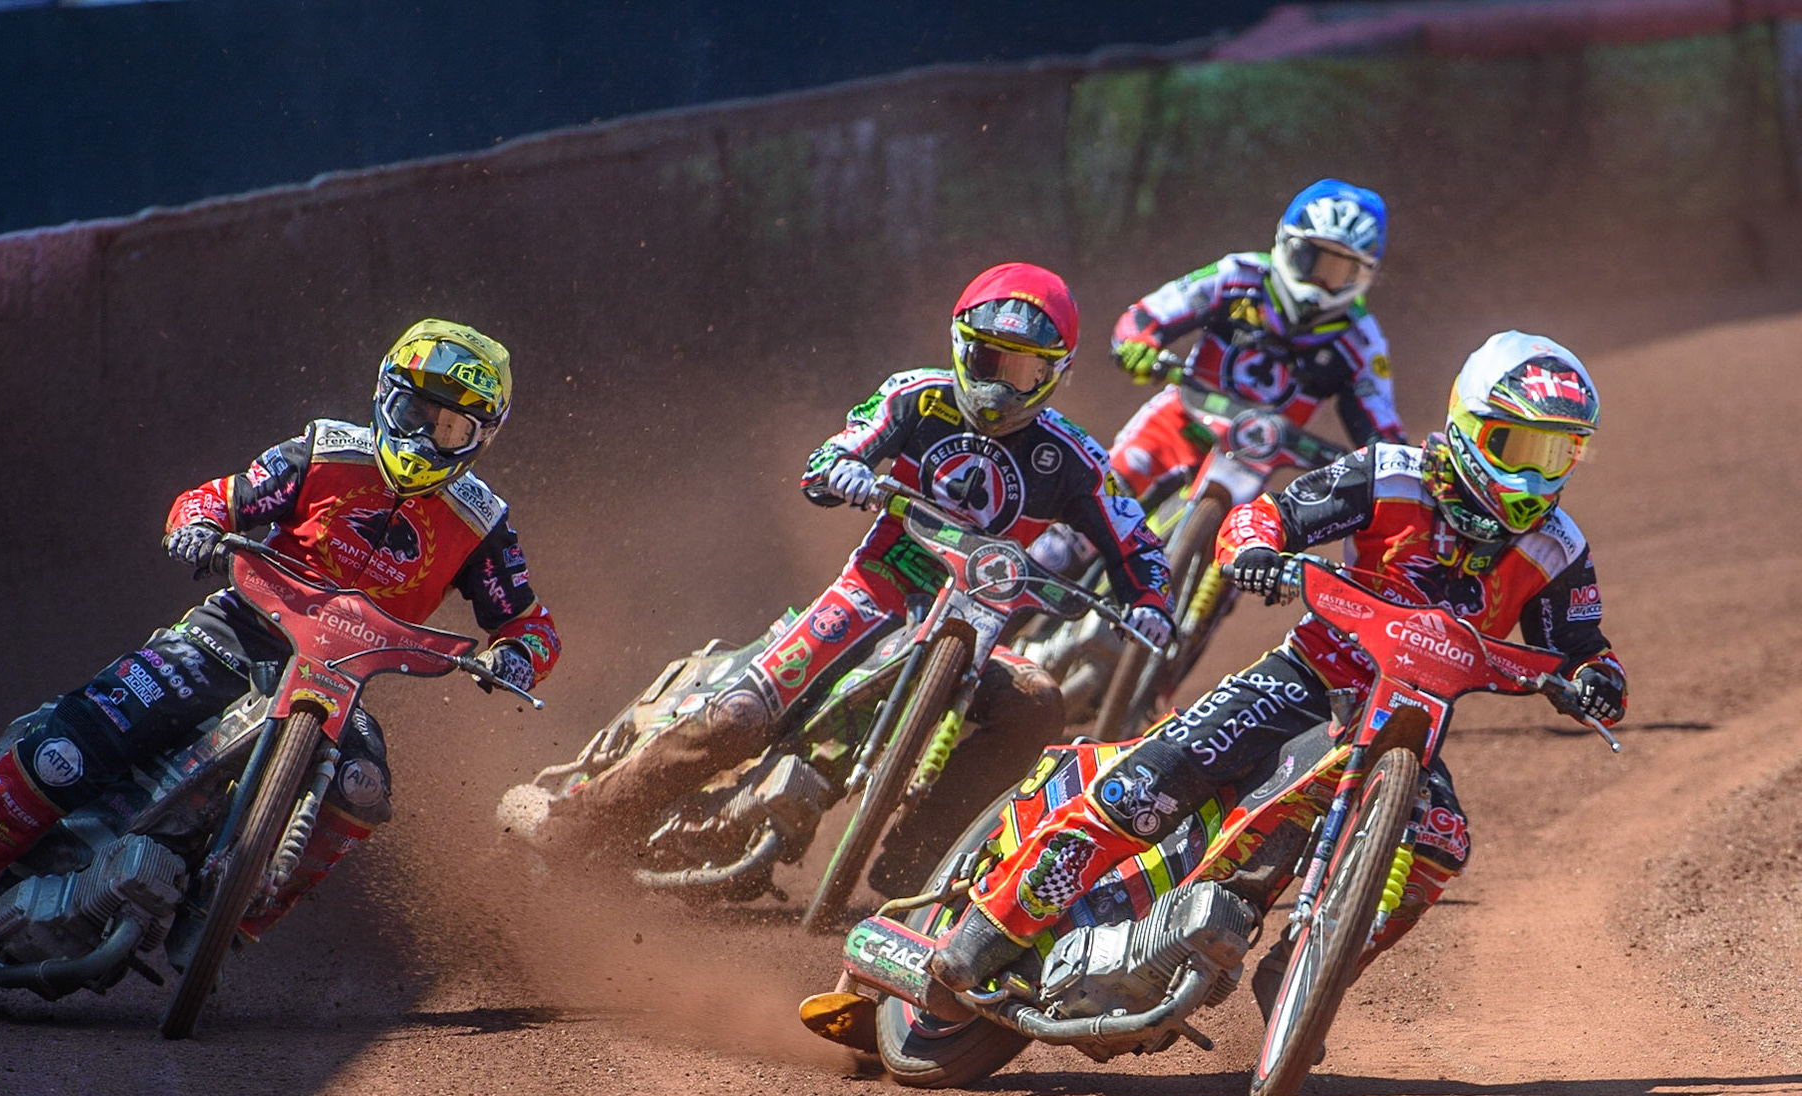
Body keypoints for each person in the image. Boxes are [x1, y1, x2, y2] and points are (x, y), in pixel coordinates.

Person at [930, 330, 1627, 1008]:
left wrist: (1599, 677)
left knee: (1441, 842)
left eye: (1560, 452)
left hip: (1407, 726)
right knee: (1151, 783)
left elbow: (1583, 644)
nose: (1537, 475)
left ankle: (1307, 971)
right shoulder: (1391, 472)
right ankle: (991, 927)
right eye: (1522, 447)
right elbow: (1265, 517)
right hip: (1304, 680)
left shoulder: (1557, 548)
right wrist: (1259, 550)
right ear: (1472, 426)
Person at [0, 319, 560, 975]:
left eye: (447, 426)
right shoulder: (324, 451)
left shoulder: (479, 522)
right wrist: (198, 526)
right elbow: (215, 497)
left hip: (338, 677)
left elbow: (532, 623)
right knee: (68, 747)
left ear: (480, 438)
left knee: (363, 784)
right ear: (384, 396)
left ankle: (238, 910)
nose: (422, 434)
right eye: (412, 409)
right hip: (230, 635)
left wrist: (517, 656)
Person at [538, 264, 1174, 894]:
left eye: (1025, 371)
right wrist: (842, 472)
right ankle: (574, 827)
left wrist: (1149, 603)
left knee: (1037, 704)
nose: (1003, 387)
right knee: (738, 715)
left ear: (1056, 373)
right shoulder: (915, 397)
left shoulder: (1072, 459)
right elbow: (833, 452)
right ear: (960, 347)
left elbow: (1137, 539)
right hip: (874, 589)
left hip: (974, 622)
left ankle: (918, 861)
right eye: (989, 361)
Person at [1104, 179, 1405, 512]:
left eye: (1341, 271)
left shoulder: (1361, 340)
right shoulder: (1238, 276)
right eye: (1314, 260)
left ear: (1364, 276)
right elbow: (1150, 314)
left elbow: (1382, 426)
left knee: (1238, 551)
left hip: (1256, 457)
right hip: (1180, 419)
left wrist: (1402, 465)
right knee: (1087, 515)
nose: (1322, 280)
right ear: (1288, 244)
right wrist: (1138, 345)